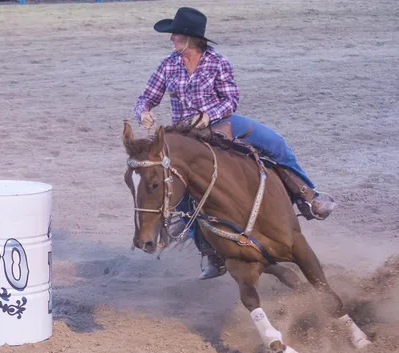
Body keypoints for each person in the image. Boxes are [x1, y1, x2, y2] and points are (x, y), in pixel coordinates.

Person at [134, 7, 337, 280]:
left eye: (176, 35)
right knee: (181, 195)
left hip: (222, 124)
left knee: (275, 144)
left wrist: (208, 116)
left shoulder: (218, 62)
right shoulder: (168, 64)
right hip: (183, 137)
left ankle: (308, 196)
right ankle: (209, 251)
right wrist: (143, 111)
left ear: (191, 38)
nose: (172, 40)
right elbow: (146, 97)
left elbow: (230, 100)